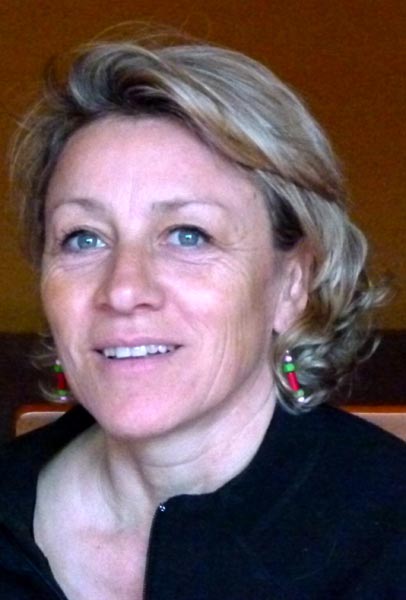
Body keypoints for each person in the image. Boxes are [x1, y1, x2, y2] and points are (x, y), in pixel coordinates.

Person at [0, 33, 405, 600]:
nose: (124, 290)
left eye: (188, 235)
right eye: (83, 238)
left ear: (292, 284)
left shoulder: (391, 536)